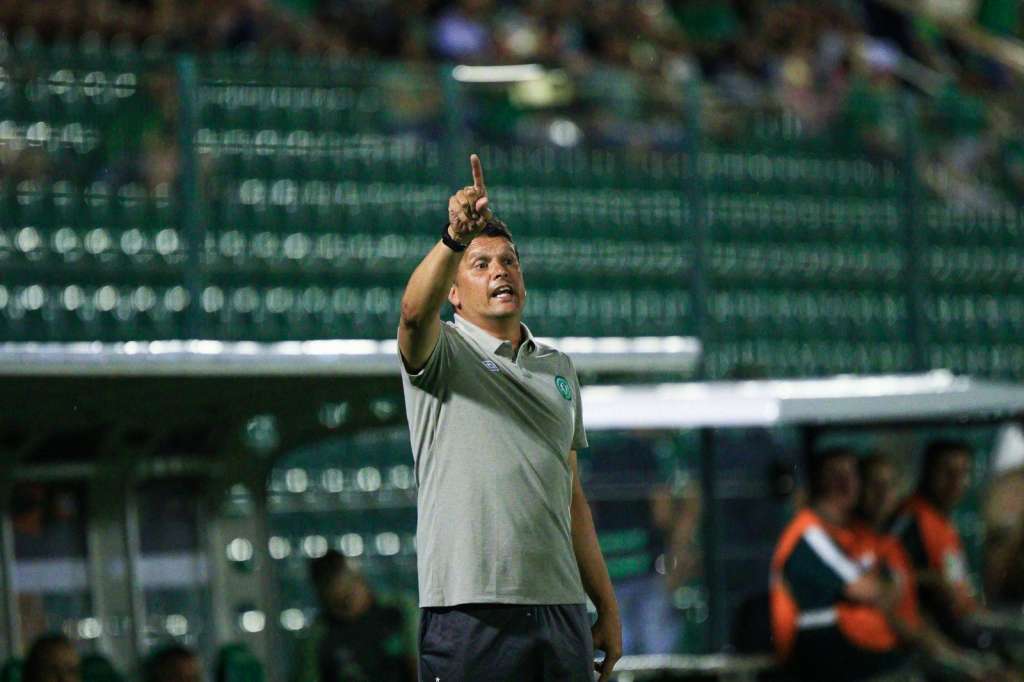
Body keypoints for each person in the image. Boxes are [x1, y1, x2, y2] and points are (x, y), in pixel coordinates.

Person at [397, 154, 622, 681]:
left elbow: (571, 495)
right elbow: (413, 314)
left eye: (509, 261)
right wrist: (454, 238)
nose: (500, 270)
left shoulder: (558, 367)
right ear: (453, 293)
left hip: (560, 607)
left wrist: (605, 605)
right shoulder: (442, 353)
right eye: (481, 265)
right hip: (470, 609)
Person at [770, 447, 912, 681]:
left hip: (842, 648)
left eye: (851, 474)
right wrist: (894, 583)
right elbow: (868, 589)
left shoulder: (843, 533)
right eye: (835, 475)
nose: (846, 482)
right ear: (819, 482)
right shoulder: (809, 533)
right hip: (817, 650)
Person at [890, 440, 980, 643]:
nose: (956, 481)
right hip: (929, 633)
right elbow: (888, 575)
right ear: (928, 473)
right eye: (947, 472)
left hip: (961, 622)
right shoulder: (911, 518)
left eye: (963, 473)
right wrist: (934, 580)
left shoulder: (943, 520)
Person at [291, 550, 414, 682]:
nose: (348, 606)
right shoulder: (319, 637)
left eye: (349, 593)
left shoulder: (399, 610)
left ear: (359, 579)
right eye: (338, 603)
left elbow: (419, 661)